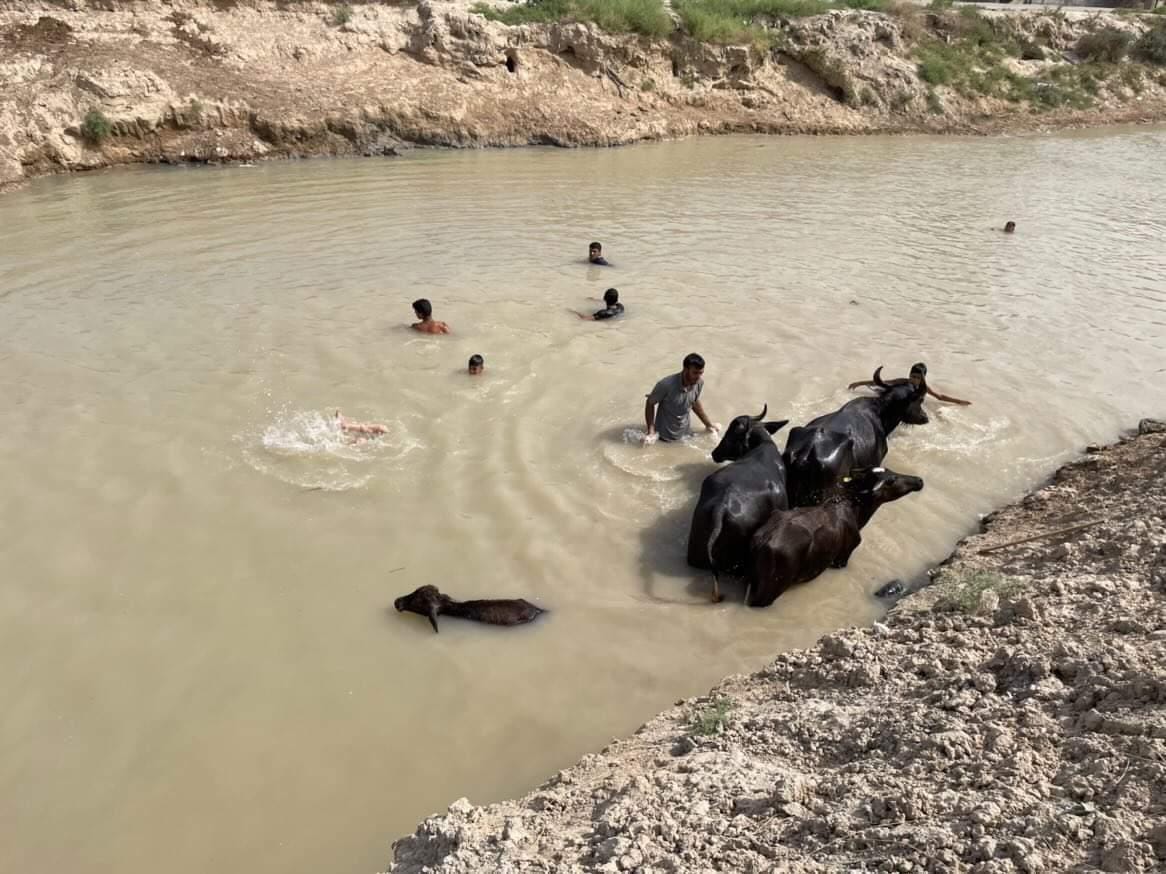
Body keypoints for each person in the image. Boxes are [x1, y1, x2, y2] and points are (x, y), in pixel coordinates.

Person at [643, 353, 720, 445]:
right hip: (664, 438)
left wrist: (708, 425)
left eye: (701, 373)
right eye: (695, 373)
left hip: (686, 436)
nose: (698, 377)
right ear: (685, 369)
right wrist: (651, 432)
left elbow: (694, 402)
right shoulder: (666, 385)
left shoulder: (699, 383)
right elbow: (650, 403)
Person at [847, 362, 971, 406]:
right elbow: (882, 382)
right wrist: (859, 383)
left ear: (923, 379)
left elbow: (940, 397)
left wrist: (959, 401)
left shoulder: (924, 388)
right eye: (912, 376)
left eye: (917, 377)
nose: (914, 379)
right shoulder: (903, 382)